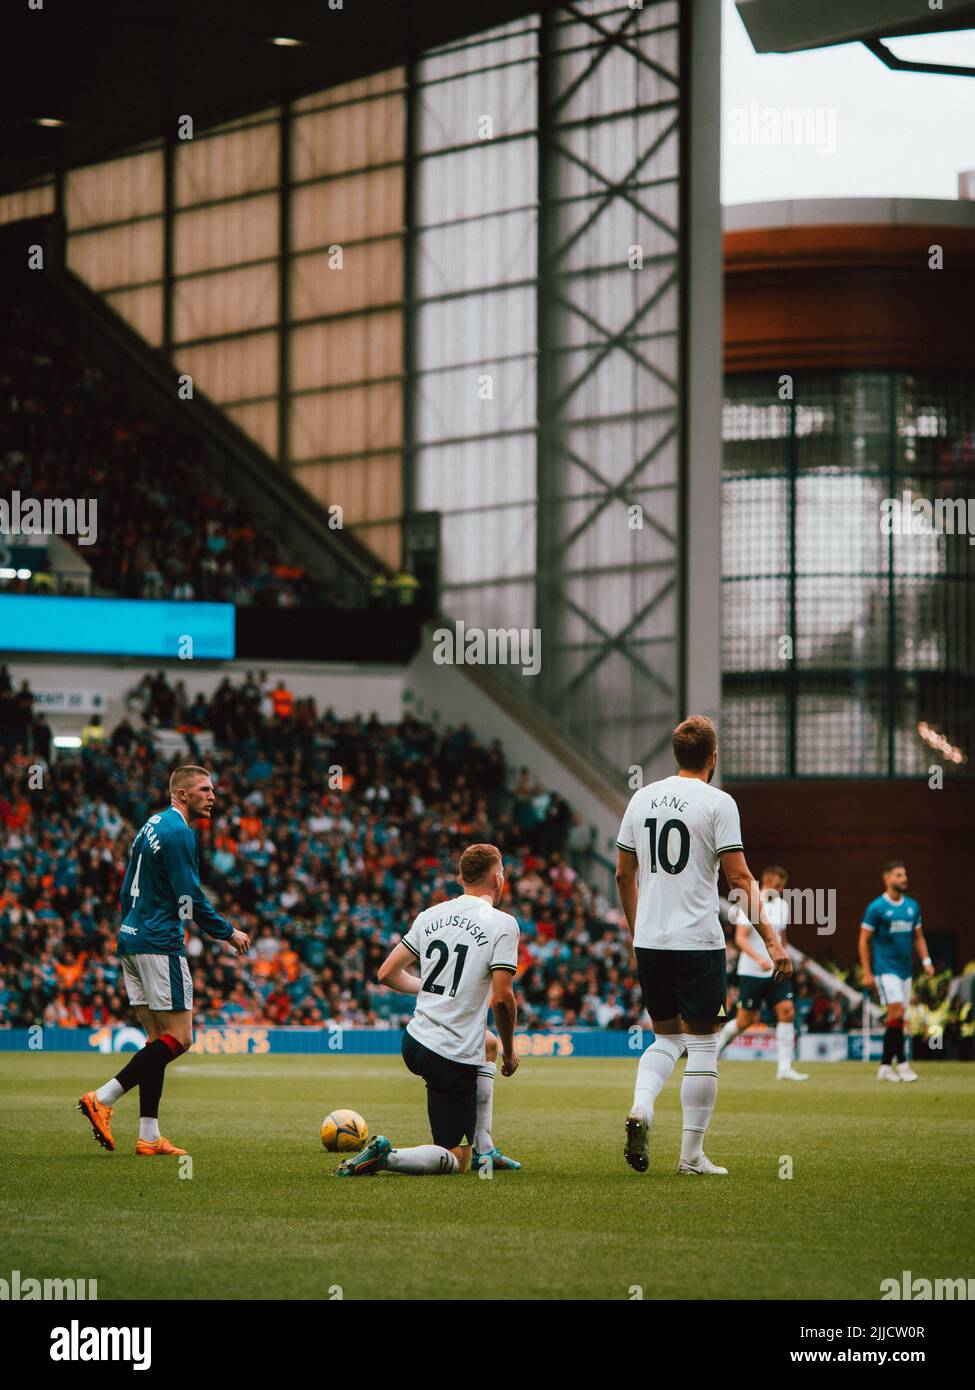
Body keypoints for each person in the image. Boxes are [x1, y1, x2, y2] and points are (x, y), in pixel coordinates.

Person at [615, 715, 791, 1176]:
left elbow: (622, 873)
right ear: (713, 757)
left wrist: (638, 929)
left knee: (665, 1037)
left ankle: (642, 1106)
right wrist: (771, 941)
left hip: (651, 941)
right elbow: (740, 879)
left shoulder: (642, 798)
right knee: (704, 1045)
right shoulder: (719, 803)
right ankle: (691, 1157)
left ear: (676, 755)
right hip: (697, 941)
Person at [77, 765, 250, 1155]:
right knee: (181, 1038)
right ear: (183, 794)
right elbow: (189, 897)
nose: (213, 796)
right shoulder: (179, 832)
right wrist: (227, 933)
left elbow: (126, 888)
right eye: (205, 790)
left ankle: (149, 1137)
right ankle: (102, 1098)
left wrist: (131, 926)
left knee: (157, 1039)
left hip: (132, 938)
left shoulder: (150, 825)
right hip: (159, 943)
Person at [336, 843, 520, 1177]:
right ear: (497, 879)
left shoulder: (430, 915)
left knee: (487, 1044)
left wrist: (428, 987)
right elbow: (503, 1000)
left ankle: (486, 1148)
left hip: (415, 1041)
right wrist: (511, 1050)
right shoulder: (503, 924)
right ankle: (387, 1156)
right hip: (450, 1055)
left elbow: (386, 974)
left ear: (462, 878)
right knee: (453, 1157)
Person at [716, 865, 808, 1081]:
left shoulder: (783, 906)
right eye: (777, 885)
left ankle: (784, 1068)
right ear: (766, 882)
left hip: (775, 971)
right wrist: (759, 959)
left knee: (787, 1012)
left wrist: (785, 956)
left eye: (782, 887)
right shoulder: (750, 903)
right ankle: (714, 1053)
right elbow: (740, 938)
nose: (780, 890)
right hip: (751, 971)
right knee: (744, 1021)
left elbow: (781, 936)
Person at [859, 861, 933, 1083]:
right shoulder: (876, 908)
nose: (904, 879)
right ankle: (902, 1065)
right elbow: (864, 940)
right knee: (898, 1014)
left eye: (905, 875)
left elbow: (918, 936)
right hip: (885, 969)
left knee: (897, 1019)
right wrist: (867, 971)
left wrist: (926, 960)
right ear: (887, 879)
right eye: (899, 875)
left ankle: (883, 1066)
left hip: (906, 971)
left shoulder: (912, 906)